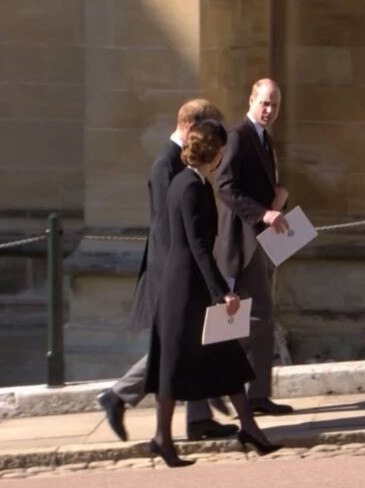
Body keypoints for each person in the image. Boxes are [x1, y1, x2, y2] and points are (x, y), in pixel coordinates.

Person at [97, 99, 237, 442]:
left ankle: (198, 418)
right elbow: (167, 230)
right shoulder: (166, 166)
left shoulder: (183, 164)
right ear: (191, 127)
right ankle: (119, 396)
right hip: (173, 273)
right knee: (175, 348)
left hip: (189, 270)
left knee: (195, 343)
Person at [145, 119, 282, 468]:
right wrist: (222, 292)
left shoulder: (193, 182)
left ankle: (248, 428)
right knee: (173, 368)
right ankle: (163, 438)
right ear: (214, 151)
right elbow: (198, 248)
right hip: (185, 291)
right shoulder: (190, 186)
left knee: (227, 358)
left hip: (194, 288)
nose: (223, 156)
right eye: (221, 150)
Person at [215, 78, 293, 415]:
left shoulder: (265, 139)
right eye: (264, 103)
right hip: (242, 241)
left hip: (264, 239)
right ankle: (215, 365)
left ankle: (259, 395)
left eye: (274, 104)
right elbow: (225, 186)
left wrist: (279, 199)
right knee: (259, 312)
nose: (269, 110)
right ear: (251, 100)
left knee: (263, 316)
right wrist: (263, 212)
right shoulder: (238, 136)